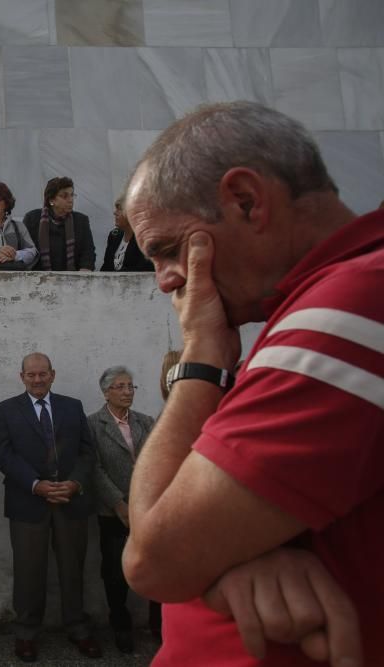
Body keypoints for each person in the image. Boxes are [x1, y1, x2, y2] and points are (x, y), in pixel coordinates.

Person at [122, 101, 382, 666]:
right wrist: (231, 559)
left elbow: (153, 558)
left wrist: (201, 352)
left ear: (245, 200)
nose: (168, 279)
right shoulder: (318, 307)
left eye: (168, 249)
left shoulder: (349, 309)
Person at [0, 352, 99, 662]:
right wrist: (36, 485)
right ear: (21, 376)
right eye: (31, 374)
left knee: (73, 570)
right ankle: (26, 633)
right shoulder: (7, 410)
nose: (37, 379)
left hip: (70, 501)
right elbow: (4, 455)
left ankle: (78, 628)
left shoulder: (72, 406)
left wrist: (75, 483)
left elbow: (87, 452)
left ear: (52, 374)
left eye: (43, 374)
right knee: (28, 573)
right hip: (28, 503)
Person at [87, 365, 158, 653]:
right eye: (120, 386)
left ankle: (159, 623)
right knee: (116, 572)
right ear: (106, 392)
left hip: (148, 508)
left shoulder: (146, 421)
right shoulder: (92, 425)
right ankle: (120, 624)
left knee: (155, 566)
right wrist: (119, 503)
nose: (128, 392)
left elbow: (158, 459)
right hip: (112, 511)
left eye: (131, 386)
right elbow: (94, 468)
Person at [22, 177, 96, 271]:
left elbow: (88, 251)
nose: (70, 200)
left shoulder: (81, 221)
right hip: (39, 280)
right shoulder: (32, 219)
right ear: (51, 200)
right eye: (64, 196)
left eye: (72, 195)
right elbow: (25, 250)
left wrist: (85, 269)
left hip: (73, 280)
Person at [101, 198, 152, 272]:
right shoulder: (114, 235)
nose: (115, 213)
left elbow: (142, 270)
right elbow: (106, 267)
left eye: (120, 209)